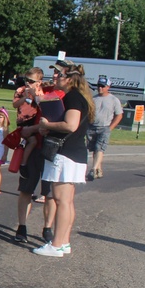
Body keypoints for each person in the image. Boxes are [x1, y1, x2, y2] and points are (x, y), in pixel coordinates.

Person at [32, 59, 95, 257]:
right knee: (66, 200)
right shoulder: (78, 97)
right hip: (74, 153)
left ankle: (57, 244)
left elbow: (70, 125)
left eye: (59, 73)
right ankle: (64, 241)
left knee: (61, 200)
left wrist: (48, 124)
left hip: (66, 153)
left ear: (70, 78)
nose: (55, 76)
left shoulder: (73, 98)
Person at [13, 70, 64, 244]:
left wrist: (33, 129)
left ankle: (47, 228)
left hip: (52, 148)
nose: (56, 77)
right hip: (35, 148)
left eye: (60, 74)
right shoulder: (42, 90)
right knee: (26, 188)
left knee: (49, 193)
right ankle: (22, 227)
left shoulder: (62, 95)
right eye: (55, 73)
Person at [86, 76, 123, 180]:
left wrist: (111, 127)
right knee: (94, 149)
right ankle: (98, 169)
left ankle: (93, 169)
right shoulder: (93, 99)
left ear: (108, 87)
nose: (100, 88)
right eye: (98, 86)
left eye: (102, 86)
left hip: (105, 127)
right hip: (92, 127)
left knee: (100, 148)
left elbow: (119, 115)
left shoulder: (114, 100)